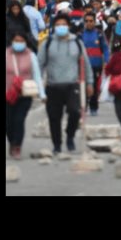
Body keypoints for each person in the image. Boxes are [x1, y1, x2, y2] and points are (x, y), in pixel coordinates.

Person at [38, 13, 94, 154]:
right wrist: (38, 86)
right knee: (54, 117)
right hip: (52, 85)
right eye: (58, 25)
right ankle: (57, 144)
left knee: (75, 113)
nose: (61, 27)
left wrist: (90, 83)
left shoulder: (76, 43)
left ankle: (70, 136)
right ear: (54, 27)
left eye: (63, 25)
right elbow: (39, 65)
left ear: (68, 26)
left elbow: (85, 64)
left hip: (72, 85)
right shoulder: (48, 43)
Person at [6, 32, 45, 160]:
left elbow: (37, 75)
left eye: (21, 41)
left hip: (24, 94)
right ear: (12, 42)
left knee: (19, 120)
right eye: (16, 40)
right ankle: (12, 141)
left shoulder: (31, 55)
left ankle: (17, 145)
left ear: (25, 42)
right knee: (8, 122)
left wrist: (42, 93)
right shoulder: (6, 54)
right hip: (8, 94)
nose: (18, 43)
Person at [82, 13, 109, 116]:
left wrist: (107, 61)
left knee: (94, 87)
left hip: (96, 65)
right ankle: (83, 106)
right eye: (86, 21)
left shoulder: (99, 34)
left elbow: (105, 49)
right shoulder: (80, 34)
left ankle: (94, 107)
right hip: (83, 66)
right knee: (83, 87)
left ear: (94, 22)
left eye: (91, 21)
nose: (89, 23)